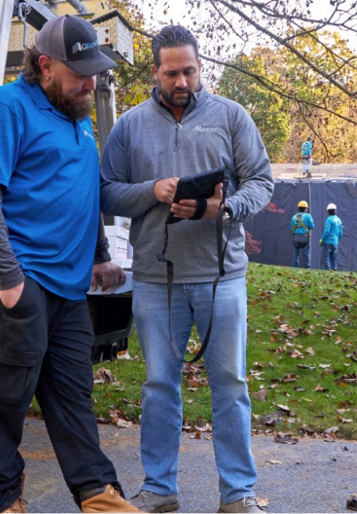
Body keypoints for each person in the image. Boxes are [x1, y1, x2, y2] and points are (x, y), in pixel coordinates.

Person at [0, 15, 145, 514]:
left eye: (94, 71)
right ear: (44, 65)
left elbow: (80, 195)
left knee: (72, 395)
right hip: (15, 280)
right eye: (80, 72)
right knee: (3, 397)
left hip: (66, 285)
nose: (91, 82)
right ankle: (0, 503)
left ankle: (99, 494)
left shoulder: (77, 119)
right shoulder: (3, 110)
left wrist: (101, 256)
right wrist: (9, 279)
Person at [100, 25, 273, 514]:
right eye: (172, 72)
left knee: (231, 385)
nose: (182, 81)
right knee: (158, 386)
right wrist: (151, 190)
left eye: (190, 71)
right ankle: (159, 489)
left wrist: (226, 210)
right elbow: (107, 189)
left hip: (222, 276)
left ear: (201, 67)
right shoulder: (130, 126)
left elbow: (261, 181)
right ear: (155, 71)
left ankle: (237, 494)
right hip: (156, 278)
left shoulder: (231, 117)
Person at [319, 203, 343, 271]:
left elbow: (327, 231)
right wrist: (337, 240)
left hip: (328, 241)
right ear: (335, 211)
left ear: (328, 211)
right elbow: (341, 233)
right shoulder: (339, 220)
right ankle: (334, 269)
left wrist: (322, 239)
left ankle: (327, 270)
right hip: (335, 242)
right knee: (334, 257)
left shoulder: (329, 219)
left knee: (326, 256)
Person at [291, 200, 314, 268]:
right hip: (305, 236)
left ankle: (295, 266)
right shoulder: (308, 216)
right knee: (306, 253)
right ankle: (306, 267)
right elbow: (312, 226)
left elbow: (292, 229)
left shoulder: (294, 217)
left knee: (296, 253)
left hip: (296, 237)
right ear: (305, 208)